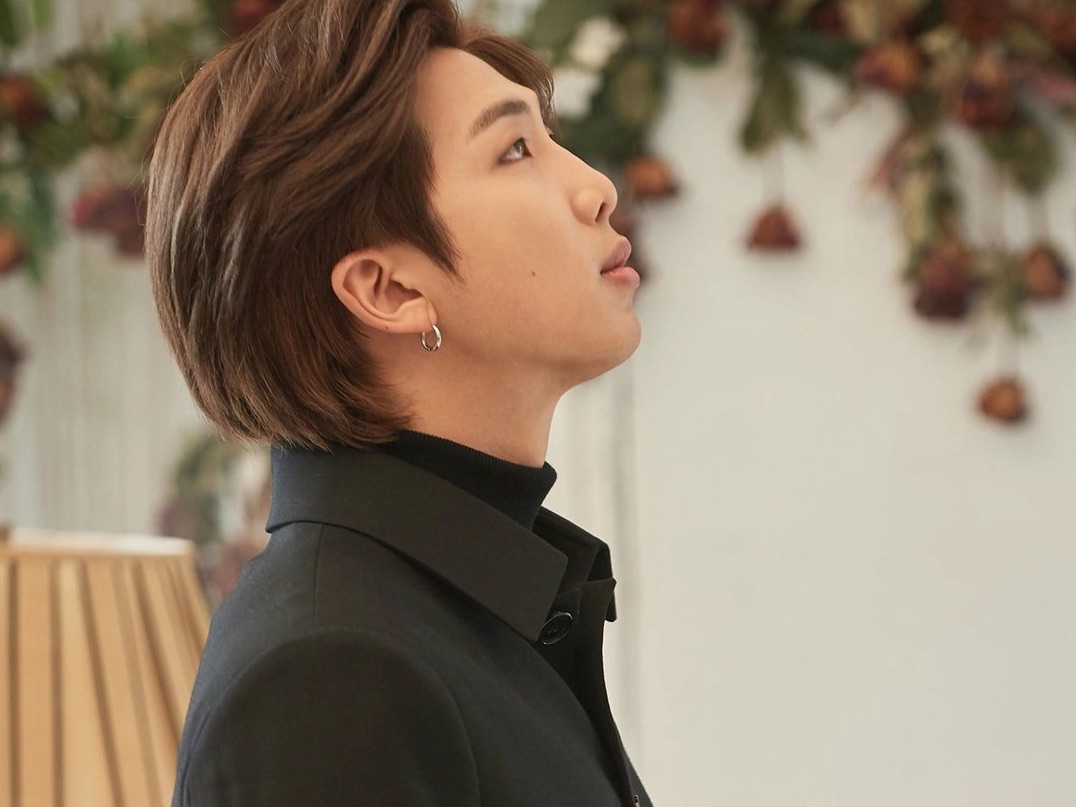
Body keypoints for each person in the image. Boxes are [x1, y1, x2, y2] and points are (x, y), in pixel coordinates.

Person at [146, 0, 648, 804]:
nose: (596, 188)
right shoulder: (329, 678)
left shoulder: (457, 616)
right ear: (387, 289)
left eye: (547, 138)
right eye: (515, 149)